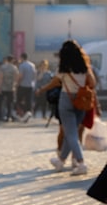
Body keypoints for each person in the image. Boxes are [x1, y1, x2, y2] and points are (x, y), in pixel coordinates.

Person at [37, 39, 96, 176]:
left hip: (66, 100)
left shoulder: (63, 68)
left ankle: (81, 163)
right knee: (73, 132)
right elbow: (92, 83)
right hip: (81, 101)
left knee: (70, 134)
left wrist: (42, 89)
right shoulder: (85, 67)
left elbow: (54, 83)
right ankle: (61, 160)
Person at [0, 56, 18, 122]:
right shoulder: (14, 68)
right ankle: (8, 116)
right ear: (12, 60)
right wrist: (14, 86)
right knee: (10, 103)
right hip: (10, 87)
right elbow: (15, 78)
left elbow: (0, 77)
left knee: (0, 102)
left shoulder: (2, 67)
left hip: (3, 87)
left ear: (6, 60)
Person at [16, 52, 36, 122]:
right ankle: (28, 112)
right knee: (28, 100)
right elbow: (34, 75)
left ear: (22, 57)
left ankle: (23, 113)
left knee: (19, 100)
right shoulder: (32, 65)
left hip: (23, 85)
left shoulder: (22, 66)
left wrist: (17, 83)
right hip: (30, 85)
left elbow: (21, 76)